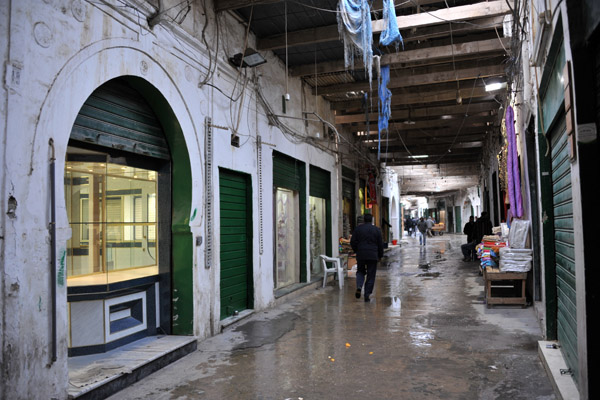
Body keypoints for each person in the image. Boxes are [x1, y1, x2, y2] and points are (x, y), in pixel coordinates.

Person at [350, 213, 384, 302]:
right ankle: (367, 295)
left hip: (361, 254)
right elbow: (380, 244)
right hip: (373, 255)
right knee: (371, 274)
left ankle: (359, 286)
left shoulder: (358, 229)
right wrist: (380, 255)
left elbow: (352, 242)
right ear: (372, 220)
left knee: (360, 271)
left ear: (364, 220)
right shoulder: (376, 230)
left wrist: (356, 250)